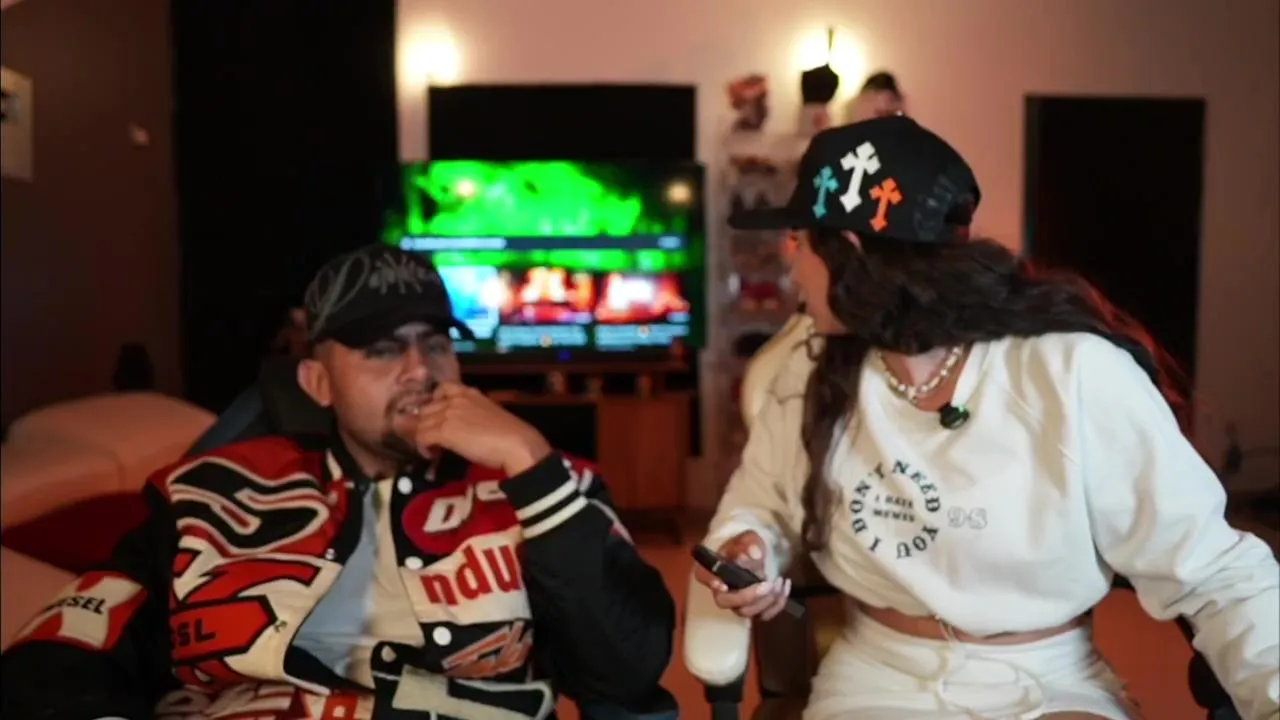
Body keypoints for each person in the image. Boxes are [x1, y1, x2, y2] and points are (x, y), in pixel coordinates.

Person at [694, 115, 1280, 719]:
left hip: (1048, 682)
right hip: (878, 679)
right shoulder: (810, 371)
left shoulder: (1071, 372)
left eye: (798, 240)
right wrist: (749, 546)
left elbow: (1215, 572)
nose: (789, 265)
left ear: (849, 250)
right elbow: (756, 505)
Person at [1, 245, 676, 719]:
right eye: (381, 350)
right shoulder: (207, 494)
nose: (420, 370)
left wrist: (530, 462)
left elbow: (630, 670)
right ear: (317, 382)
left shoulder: (546, 486)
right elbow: (64, 645)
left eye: (437, 343)